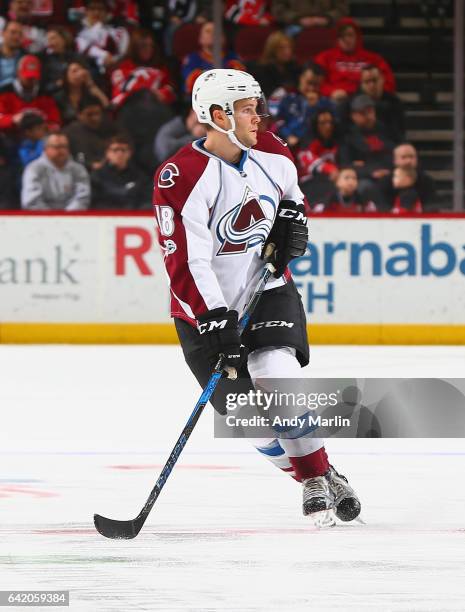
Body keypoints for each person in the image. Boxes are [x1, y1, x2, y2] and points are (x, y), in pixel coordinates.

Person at [152, 68, 361, 525]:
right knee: (246, 419)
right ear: (215, 115)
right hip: (203, 311)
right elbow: (187, 261)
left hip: (267, 290)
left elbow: (292, 199)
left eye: (256, 106)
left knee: (274, 373)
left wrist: (293, 223)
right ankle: (323, 472)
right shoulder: (181, 176)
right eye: (247, 109)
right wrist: (214, 317)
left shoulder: (272, 151)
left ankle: (311, 481)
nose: (258, 117)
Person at [315, 18, 396, 102]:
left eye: (350, 35)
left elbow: (389, 83)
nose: (346, 39)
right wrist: (331, 92)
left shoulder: (373, 58)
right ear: (336, 38)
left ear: (357, 36)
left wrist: (375, 92)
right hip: (335, 99)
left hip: (367, 100)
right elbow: (315, 82)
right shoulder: (324, 57)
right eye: (341, 36)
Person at [339, 94, 394, 203]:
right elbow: (346, 165)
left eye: (370, 111)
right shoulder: (348, 136)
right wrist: (370, 172)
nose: (368, 116)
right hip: (364, 178)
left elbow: (393, 153)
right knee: (365, 187)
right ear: (353, 115)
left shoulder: (385, 131)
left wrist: (388, 170)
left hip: (390, 174)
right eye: (363, 113)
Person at [21, 131, 90, 210]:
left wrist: (66, 218)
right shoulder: (33, 169)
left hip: (72, 218)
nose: (61, 151)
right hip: (41, 219)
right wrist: (52, 218)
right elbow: (32, 201)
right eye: (57, 147)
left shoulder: (79, 169)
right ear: (45, 148)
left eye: (64, 146)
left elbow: (82, 198)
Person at [110, 28, 176, 110]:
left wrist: (159, 94)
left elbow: (170, 91)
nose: (149, 49)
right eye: (144, 46)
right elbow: (118, 94)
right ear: (135, 47)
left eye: (151, 46)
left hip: (155, 110)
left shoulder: (160, 67)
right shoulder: (122, 67)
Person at [274, 63, 335, 147]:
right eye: (309, 83)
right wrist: (288, 135)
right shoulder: (286, 97)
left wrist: (313, 107)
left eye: (316, 85)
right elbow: (278, 121)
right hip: (287, 142)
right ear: (301, 78)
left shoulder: (325, 103)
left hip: (313, 145)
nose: (312, 88)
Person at [0, 54, 61, 133]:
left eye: (33, 77)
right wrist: (13, 119)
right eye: (27, 77)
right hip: (12, 135)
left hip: (41, 138)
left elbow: (55, 122)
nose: (31, 80)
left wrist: (43, 127)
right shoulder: (5, 92)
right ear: (18, 73)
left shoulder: (45, 94)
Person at [181, 21, 245, 95]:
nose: (212, 34)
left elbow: (240, 84)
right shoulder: (192, 59)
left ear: (223, 38)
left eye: (216, 31)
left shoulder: (233, 58)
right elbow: (191, 83)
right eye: (208, 31)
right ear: (200, 39)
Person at [91, 134, 152, 209]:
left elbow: (146, 199)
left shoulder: (140, 176)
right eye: (115, 150)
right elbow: (95, 201)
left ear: (129, 153)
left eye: (123, 150)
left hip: (134, 216)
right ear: (107, 153)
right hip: (106, 216)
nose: (119, 154)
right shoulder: (97, 176)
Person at [296, 108, 340, 205]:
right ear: (316, 125)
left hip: (330, 181)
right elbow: (308, 162)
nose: (328, 126)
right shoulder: (308, 141)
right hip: (308, 184)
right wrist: (331, 169)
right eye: (323, 123)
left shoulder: (336, 140)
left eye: (330, 122)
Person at [64, 94, 118, 171]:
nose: (95, 118)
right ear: (79, 114)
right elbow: (65, 159)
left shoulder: (112, 129)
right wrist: (89, 165)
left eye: (97, 113)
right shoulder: (68, 134)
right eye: (89, 115)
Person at [76, 0, 130, 74]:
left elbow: (123, 54)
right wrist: (104, 55)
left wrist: (112, 60)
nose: (96, 13)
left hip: (114, 71)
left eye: (100, 9)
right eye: (92, 9)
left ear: (107, 12)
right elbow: (83, 50)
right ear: (86, 11)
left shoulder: (119, 32)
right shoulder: (79, 33)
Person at [378, 143, 436, 211]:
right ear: (395, 160)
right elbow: (382, 207)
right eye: (404, 157)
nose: (408, 161)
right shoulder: (385, 182)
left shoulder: (427, 181)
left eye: (411, 157)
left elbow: (432, 206)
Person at [356, 64, 405, 143]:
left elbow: (398, 133)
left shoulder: (395, 102)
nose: (372, 85)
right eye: (367, 81)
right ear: (361, 84)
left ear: (382, 80)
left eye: (375, 80)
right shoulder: (352, 104)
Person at [53, 59, 109, 125]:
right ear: (66, 77)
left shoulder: (90, 91)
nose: (80, 73)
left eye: (81, 69)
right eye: (74, 71)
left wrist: (91, 84)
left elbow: (107, 106)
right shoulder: (59, 97)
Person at [271, 0, 348, 29]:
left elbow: (342, 9)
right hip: (293, 29)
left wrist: (327, 18)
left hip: (327, 30)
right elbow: (278, 10)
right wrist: (297, 18)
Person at [0, 21, 25, 88]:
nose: (17, 37)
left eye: (20, 34)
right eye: (13, 32)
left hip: (16, 96)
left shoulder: (25, 58)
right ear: (2, 33)